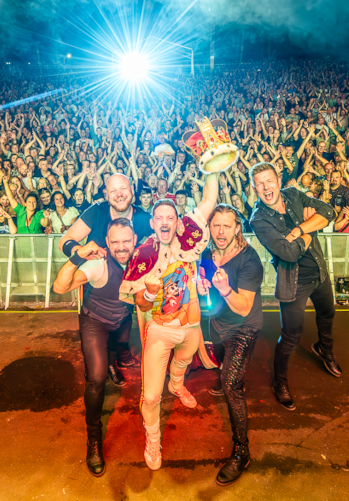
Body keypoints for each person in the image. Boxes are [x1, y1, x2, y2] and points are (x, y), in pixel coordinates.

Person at [119, 170, 220, 471]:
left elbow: (210, 199)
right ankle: (153, 438)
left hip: (191, 328)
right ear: (152, 223)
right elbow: (137, 301)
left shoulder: (187, 242)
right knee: (150, 396)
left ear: (178, 222)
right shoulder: (144, 254)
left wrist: (211, 163)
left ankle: (177, 384)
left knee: (184, 361)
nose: (165, 222)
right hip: (160, 331)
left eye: (170, 217)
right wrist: (149, 296)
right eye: (159, 217)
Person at [51, 218, 139, 477]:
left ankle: (112, 359)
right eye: (115, 242)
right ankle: (93, 439)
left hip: (122, 319)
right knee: (97, 378)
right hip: (95, 321)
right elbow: (60, 287)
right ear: (107, 244)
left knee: (119, 348)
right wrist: (77, 257)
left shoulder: (142, 260)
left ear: (135, 241)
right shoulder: (99, 263)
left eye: (126, 241)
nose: (121, 247)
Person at [249, 162, 337, 412]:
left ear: (278, 180)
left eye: (269, 181)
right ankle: (280, 382)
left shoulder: (294, 194)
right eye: (260, 184)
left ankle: (325, 351)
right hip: (293, 282)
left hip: (319, 272)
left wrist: (299, 229)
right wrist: (312, 227)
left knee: (327, 314)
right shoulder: (259, 220)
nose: (266, 187)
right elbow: (288, 254)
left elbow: (329, 213)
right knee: (290, 336)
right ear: (255, 189)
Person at [198, 204, 264, 486]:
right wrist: (202, 287)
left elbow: (243, 306)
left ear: (238, 227)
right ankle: (232, 376)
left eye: (227, 225)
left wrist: (224, 289)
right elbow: (203, 293)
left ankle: (242, 452)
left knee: (230, 386)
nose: (221, 231)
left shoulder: (250, 260)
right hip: (218, 325)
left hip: (244, 326)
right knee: (226, 369)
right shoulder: (206, 254)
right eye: (216, 225)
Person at [59, 174, 152, 370]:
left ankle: (122, 354)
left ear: (132, 192)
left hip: (128, 288)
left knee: (124, 324)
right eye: (113, 191)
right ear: (106, 195)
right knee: (102, 333)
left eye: (124, 189)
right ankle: (108, 365)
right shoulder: (97, 213)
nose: (119, 195)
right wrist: (82, 252)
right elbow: (64, 241)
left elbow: (162, 239)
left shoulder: (143, 217)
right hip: (98, 289)